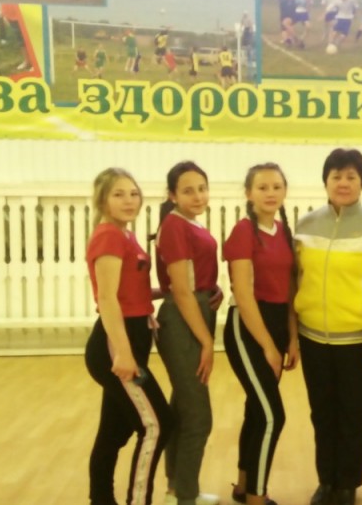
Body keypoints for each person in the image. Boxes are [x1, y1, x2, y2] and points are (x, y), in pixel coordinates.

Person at [294, 148, 362, 505]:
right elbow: (296, 278)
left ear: (361, 183)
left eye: (351, 176)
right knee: (322, 413)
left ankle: (347, 484)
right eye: (336, 176)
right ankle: (326, 480)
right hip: (312, 337)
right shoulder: (306, 225)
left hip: (358, 340)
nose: (343, 182)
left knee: (353, 414)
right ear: (325, 181)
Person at [84, 168, 172, 505]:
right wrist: (123, 353)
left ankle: (100, 499)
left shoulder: (126, 235)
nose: (129, 200)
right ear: (102, 200)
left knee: (113, 432)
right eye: (119, 194)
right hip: (115, 344)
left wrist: (171, 293)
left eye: (133, 193)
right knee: (158, 425)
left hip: (132, 336)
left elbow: (131, 293)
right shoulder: (108, 236)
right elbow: (107, 299)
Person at [224, 163, 300, 505]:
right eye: (262, 187)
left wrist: (292, 338)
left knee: (257, 410)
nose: (270, 193)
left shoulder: (284, 232)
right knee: (272, 415)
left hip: (278, 325)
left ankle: (243, 486)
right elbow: (243, 294)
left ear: (284, 191)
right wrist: (268, 346)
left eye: (276, 187)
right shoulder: (243, 231)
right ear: (249, 193)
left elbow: (290, 290)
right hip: (247, 328)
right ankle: (257, 496)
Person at [154, 162, 221, 505]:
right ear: (172, 195)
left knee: (182, 409)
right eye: (188, 190)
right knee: (198, 417)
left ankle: (176, 491)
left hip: (194, 314)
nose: (198, 196)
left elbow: (192, 280)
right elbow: (181, 291)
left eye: (202, 188)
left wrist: (211, 290)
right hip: (183, 323)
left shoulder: (189, 223)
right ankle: (186, 497)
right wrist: (207, 341)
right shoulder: (175, 226)